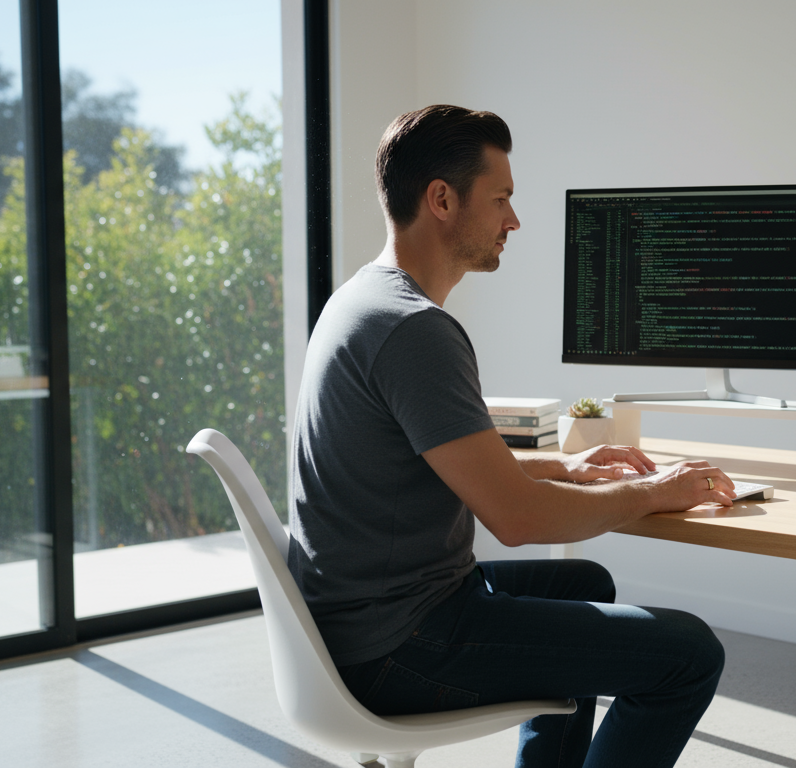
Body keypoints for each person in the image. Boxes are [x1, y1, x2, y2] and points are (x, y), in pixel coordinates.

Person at [288, 104, 733, 768]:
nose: (514, 221)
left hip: (358, 619)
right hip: (396, 644)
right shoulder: (415, 331)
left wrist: (569, 469)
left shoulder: (363, 300)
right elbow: (518, 520)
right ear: (442, 199)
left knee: (586, 582)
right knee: (691, 654)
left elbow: (461, 467)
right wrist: (654, 491)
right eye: (501, 200)